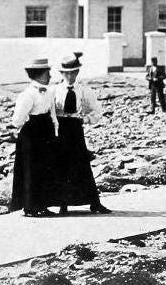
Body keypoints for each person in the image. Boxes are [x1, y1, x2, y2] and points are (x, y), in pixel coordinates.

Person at [52, 54, 111, 214]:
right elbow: (49, 110)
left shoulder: (84, 91)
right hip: (59, 129)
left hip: (75, 128)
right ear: (62, 73)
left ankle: (94, 203)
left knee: (81, 164)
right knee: (61, 165)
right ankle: (62, 204)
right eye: (67, 73)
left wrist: (85, 119)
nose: (70, 76)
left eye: (73, 72)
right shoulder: (55, 90)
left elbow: (96, 111)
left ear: (77, 72)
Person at [9, 58, 60, 217]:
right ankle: (30, 207)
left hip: (46, 132)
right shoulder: (27, 94)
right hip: (31, 136)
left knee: (45, 168)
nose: (50, 76)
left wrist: (55, 130)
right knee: (31, 170)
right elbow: (17, 120)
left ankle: (42, 205)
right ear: (38, 74)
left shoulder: (49, 92)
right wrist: (30, 124)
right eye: (47, 73)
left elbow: (52, 114)